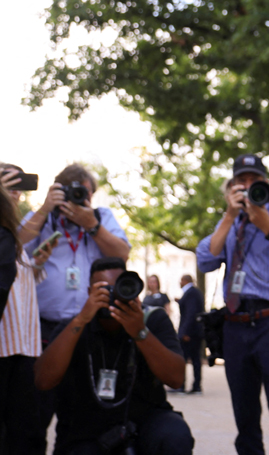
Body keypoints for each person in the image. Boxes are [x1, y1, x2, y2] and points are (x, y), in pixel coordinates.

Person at [196, 154, 269, 455]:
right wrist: (228, 217)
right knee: (244, 416)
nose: (248, 187)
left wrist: (268, 228)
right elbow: (205, 260)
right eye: (241, 182)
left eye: (254, 181)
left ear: (266, 184)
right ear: (231, 188)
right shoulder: (230, 222)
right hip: (235, 325)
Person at [18, 163, 132, 447]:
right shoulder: (43, 218)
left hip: (89, 329)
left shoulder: (101, 217)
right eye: (71, 192)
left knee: (79, 414)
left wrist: (91, 225)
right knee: (34, 412)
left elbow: (122, 254)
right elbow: (13, 243)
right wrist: (45, 209)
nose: (79, 199)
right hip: (44, 328)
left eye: (85, 193)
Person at [34, 257, 193, 455]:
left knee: (174, 435)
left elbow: (176, 379)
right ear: (89, 293)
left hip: (145, 418)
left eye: (118, 289)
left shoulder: (152, 320)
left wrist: (140, 332)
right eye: (104, 290)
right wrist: (81, 320)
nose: (111, 297)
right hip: (86, 426)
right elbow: (43, 380)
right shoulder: (74, 327)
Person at [0, 166, 55, 454]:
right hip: (3, 348)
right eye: (9, 185)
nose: (16, 193)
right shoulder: (6, 232)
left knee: (26, 430)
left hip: (24, 344)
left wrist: (37, 263)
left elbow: (18, 280)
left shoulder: (11, 233)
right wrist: (45, 209)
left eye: (18, 187)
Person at [176, 274, 204, 394]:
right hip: (195, 332)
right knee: (195, 359)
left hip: (190, 333)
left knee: (184, 358)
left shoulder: (191, 293)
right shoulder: (194, 293)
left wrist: (185, 332)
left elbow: (190, 314)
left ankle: (182, 385)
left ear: (185, 281)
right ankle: (196, 385)